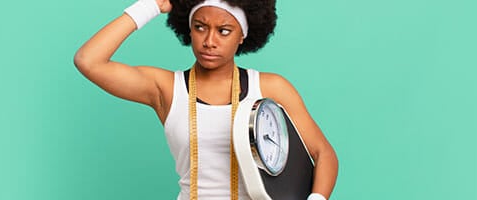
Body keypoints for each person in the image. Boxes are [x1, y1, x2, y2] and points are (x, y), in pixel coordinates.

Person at [73, 0, 338, 199]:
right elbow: (88, 60)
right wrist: (150, 6)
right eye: (200, 27)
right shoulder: (166, 88)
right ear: (189, 29)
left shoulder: (270, 87)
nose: (209, 41)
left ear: (242, 35)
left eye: (224, 31)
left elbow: (323, 153)